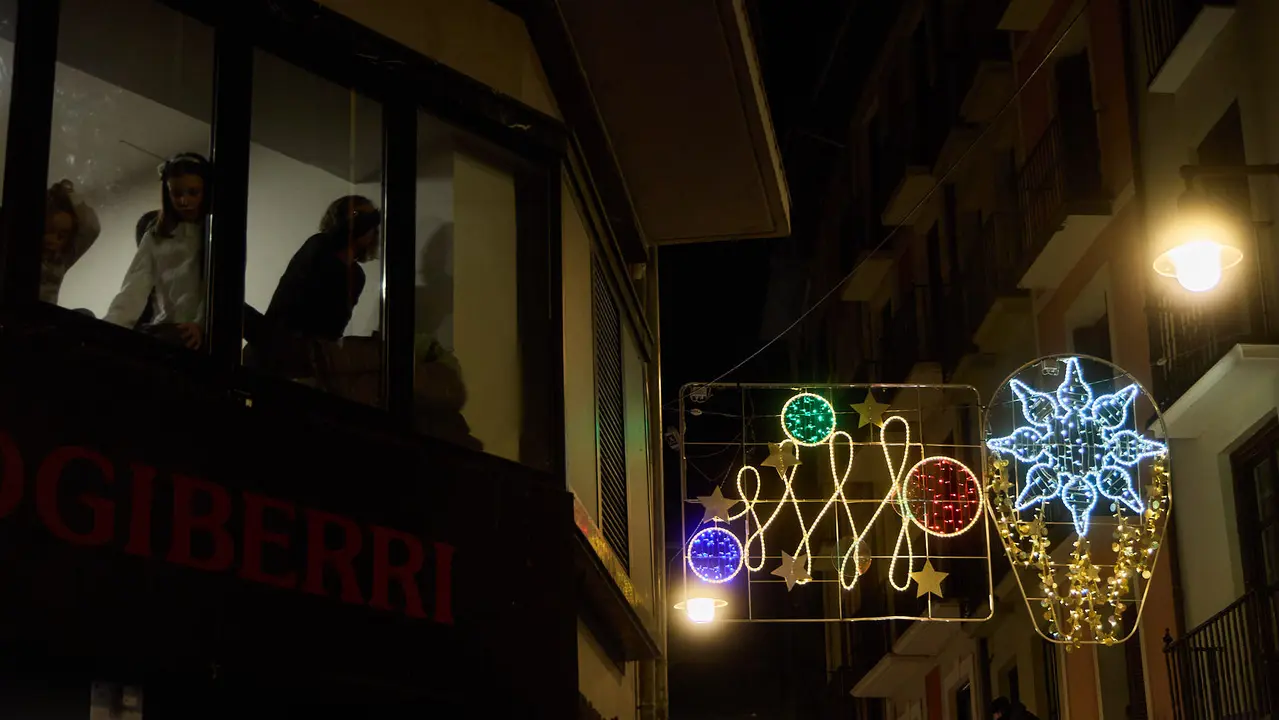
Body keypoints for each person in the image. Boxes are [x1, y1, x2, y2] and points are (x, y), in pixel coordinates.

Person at [249, 195, 380, 383]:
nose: (366, 224)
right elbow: (291, 306)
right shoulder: (319, 246)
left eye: (370, 220)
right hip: (273, 354)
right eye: (356, 215)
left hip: (307, 364)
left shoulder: (357, 275)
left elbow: (335, 329)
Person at [105, 153, 210, 349]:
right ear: (167, 193)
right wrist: (111, 326)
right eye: (177, 194)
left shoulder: (212, 236)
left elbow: (215, 287)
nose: (184, 201)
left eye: (193, 192)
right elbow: (135, 287)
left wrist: (201, 323)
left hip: (198, 334)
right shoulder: (155, 236)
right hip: (161, 329)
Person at [40, 179, 101, 306]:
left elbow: (91, 227)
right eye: (49, 230)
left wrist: (69, 193)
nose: (54, 240)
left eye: (62, 236)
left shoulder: (62, 259)